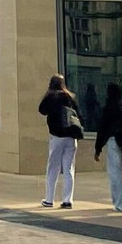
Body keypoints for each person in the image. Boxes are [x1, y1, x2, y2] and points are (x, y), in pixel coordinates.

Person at [37, 73, 83, 208]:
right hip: (71, 136)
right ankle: (67, 200)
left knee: (53, 168)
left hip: (57, 136)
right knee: (69, 168)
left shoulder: (51, 97)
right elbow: (79, 115)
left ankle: (49, 199)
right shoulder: (69, 97)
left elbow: (42, 110)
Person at [93, 82, 122, 211]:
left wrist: (98, 148)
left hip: (113, 139)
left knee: (114, 172)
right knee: (117, 171)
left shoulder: (109, 106)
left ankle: (120, 203)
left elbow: (102, 128)